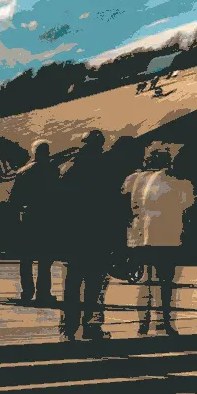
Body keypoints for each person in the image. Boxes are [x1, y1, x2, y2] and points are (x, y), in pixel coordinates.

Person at [58, 130, 126, 340]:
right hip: (99, 234)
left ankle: (68, 327)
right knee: (95, 284)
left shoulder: (68, 167)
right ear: (101, 145)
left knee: (71, 283)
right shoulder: (108, 167)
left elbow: (57, 203)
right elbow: (116, 205)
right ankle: (91, 326)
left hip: (73, 234)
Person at [122, 146, 195, 336]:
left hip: (144, 237)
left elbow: (133, 206)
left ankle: (144, 323)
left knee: (147, 281)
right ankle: (164, 323)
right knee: (165, 283)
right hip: (168, 238)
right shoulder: (182, 184)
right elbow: (187, 208)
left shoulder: (137, 179)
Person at [9, 140, 59, 305]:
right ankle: (43, 293)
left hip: (28, 217)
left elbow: (14, 199)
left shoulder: (23, 172)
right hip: (47, 218)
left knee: (26, 258)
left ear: (33, 152)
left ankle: (27, 292)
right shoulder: (52, 170)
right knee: (45, 259)